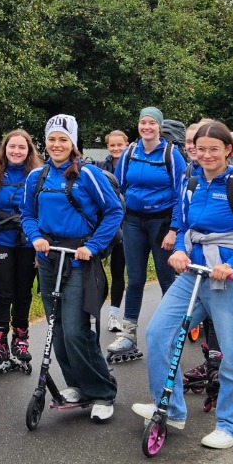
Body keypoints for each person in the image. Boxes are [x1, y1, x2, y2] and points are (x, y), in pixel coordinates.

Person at [134, 119, 233, 450]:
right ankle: (171, 407)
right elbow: (183, 226)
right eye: (200, 149)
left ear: (228, 150)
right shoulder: (191, 183)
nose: (206, 155)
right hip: (194, 275)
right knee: (158, 334)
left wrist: (231, 265)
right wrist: (180, 249)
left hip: (230, 281)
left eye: (214, 149)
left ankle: (232, 426)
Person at [21, 114, 124, 420]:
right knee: (59, 329)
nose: (56, 145)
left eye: (63, 140)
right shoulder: (36, 177)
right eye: (52, 139)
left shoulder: (89, 175)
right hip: (49, 257)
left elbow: (114, 211)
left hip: (79, 258)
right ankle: (78, 385)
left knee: (77, 331)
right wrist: (36, 237)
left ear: (73, 143)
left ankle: (103, 391)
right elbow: (27, 213)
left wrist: (92, 247)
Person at [108, 107, 186, 360]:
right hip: (133, 221)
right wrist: (118, 216)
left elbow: (180, 194)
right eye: (143, 122)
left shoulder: (171, 155)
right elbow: (118, 186)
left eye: (152, 123)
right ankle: (128, 333)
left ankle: (169, 333)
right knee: (136, 279)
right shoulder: (131, 151)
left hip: (162, 223)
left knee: (166, 279)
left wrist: (174, 229)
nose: (147, 127)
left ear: (159, 127)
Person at [0, 128, 41, 367]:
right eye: (12, 147)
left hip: (29, 242)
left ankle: (21, 338)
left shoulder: (37, 176)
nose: (16, 151)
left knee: (23, 292)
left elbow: (42, 213)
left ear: (29, 151)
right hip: (1, 241)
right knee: (2, 292)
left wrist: (40, 249)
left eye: (21, 147)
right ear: (4, 149)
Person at [100, 131, 129, 335]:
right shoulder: (101, 167)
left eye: (120, 145)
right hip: (105, 226)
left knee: (119, 272)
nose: (116, 149)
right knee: (97, 273)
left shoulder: (132, 166)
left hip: (126, 226)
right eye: (112, 145)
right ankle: (92, 314)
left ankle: (114, 315)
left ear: (127, 145)